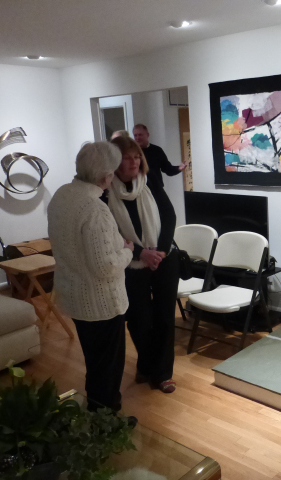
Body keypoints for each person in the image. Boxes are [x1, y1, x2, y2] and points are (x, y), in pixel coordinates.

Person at [47, 142, 134, 412]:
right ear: (106, 176)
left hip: (74, 297)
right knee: (108, 368)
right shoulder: (95, 209)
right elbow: (105, 267)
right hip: (101, 304)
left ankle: (95, 415)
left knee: (95, 362)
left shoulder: (62, 195)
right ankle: (106, 421)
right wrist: (128, 252)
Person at [106, 136, 180, 394]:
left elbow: (169, 216)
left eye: (137, 156)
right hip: (130, 264)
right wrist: (140, 254)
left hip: (164, 259)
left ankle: (162, 373)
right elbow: (111, 234)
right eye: (127, 158)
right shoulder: (105, 192)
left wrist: (159, 252)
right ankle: (146, 364)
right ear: (114, 162)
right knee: (138, 320)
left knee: (164, 318)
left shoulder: (149, 182)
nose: (134, 162)